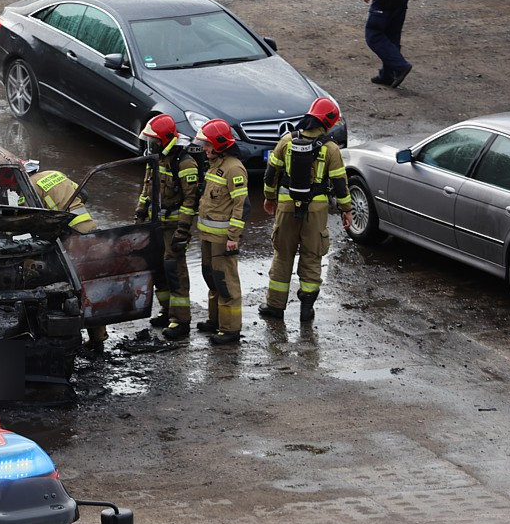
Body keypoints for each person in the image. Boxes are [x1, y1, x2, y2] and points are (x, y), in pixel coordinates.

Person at [259, 98, 353, 323]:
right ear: (328, 122)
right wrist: (346, 210)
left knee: (282, 255)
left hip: (286, 204)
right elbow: (340, 183)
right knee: (312, 255)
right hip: (316, 208)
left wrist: (269, 198)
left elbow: (271, 174)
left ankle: (274, 306)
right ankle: (306, 309)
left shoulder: (286, 141)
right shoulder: (331, 149)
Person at [22, 168, 108, 350]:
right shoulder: (55, 173)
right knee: (90, 284)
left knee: (68, 285)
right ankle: (98, 339)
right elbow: (84, 195)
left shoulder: (27, 186)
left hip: (71, 236)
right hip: (88, 228)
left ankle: (68, 338)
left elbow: (25, 219)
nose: (13, 190)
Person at [135, 115, 199, 341]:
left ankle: (181, 320)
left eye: (154, 141)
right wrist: (140, 211)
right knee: (158, 269)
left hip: (173, 227)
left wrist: (183, 231)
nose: (150, 145)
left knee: (175, 271)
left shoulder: (184, 163)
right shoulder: (155, 160)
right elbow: (146, 187)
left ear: (166, 140)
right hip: (155, 226)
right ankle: (166, 310)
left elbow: (191, 201)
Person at [192, 119, 249, 345]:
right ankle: (214, 321)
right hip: (208, 236)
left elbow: (240, 206)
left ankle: (230, 329)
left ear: (219, 144)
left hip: (223, 238)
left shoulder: (234, 168)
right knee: (211, 278)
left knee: (226, 283)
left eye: (207, 144)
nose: (204, 149)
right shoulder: (216, 164)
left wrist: (233, 238)